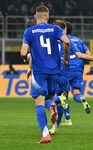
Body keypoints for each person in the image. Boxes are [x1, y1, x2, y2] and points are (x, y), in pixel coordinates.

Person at [20, 5, 70, 144]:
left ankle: (45, 134)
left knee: (38, 102)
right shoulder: (56, 29)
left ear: (35, 16)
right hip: (54, 71)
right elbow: (66, 42)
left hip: (39, 71)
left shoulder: (29, 32)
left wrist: (27, 60)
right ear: (48, 17)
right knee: (49, 98)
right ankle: (52, 106)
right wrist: (65, 59)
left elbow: (24, 53)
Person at [49, 20, 93, 134]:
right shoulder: (70, 41)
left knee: (53, 100)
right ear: (63, 30)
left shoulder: (50, 41)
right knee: (73, 95)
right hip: (72, 71)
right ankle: (57, 125)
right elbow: (81, 55)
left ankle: (55, 127)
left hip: (56, 73)